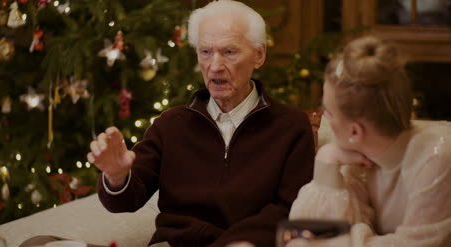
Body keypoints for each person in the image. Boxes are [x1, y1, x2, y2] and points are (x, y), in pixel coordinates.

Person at [88, 1, 315, 247]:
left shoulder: (291, 126)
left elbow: (291, 209)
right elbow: (125, 201)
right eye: (205, 52)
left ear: (259, 55)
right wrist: (116, 176)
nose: (214, 66)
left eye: (229, 52)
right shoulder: (171, 125)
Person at [287, 35, 451, 246]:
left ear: (355, 132)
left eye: (328, 111)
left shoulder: (436, 158)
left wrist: (335, 242)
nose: (324, 117)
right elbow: (314, 230)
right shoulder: (361, 154)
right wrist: (326, 161)